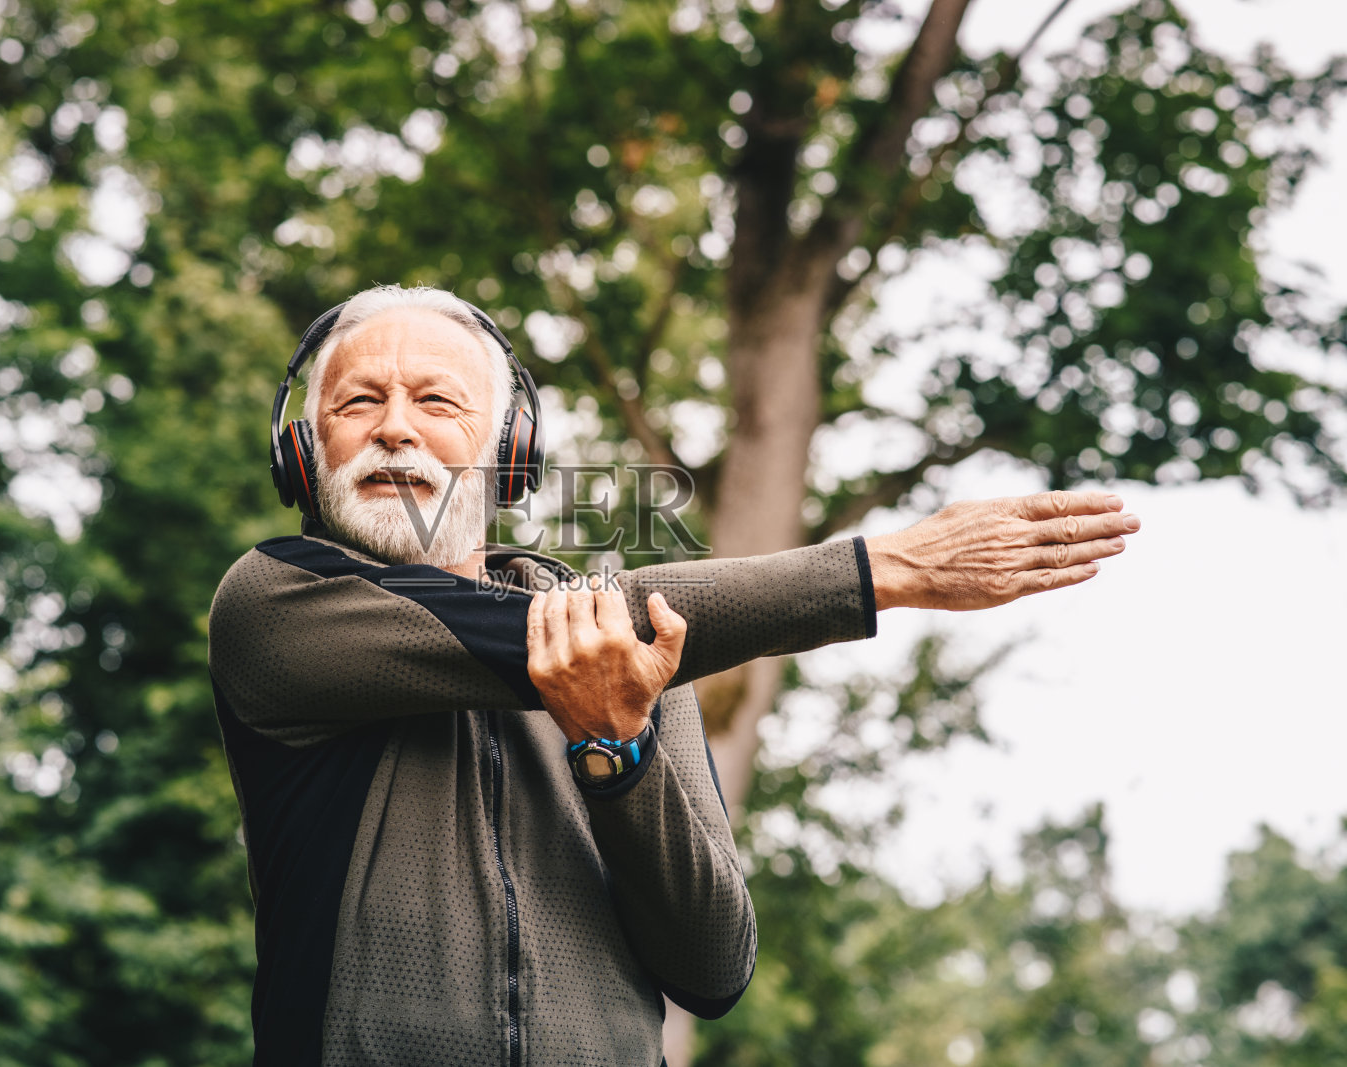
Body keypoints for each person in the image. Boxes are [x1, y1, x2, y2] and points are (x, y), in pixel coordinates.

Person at [206, 285, 1140, 1066]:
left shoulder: (644, 661)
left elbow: (713, 967)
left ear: (510, 452)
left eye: (438, 402)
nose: (395, 429)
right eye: (358, 402)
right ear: (306, 450)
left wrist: (616, 753)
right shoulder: (274, 603)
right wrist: (884, 569)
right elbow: (596, 617)